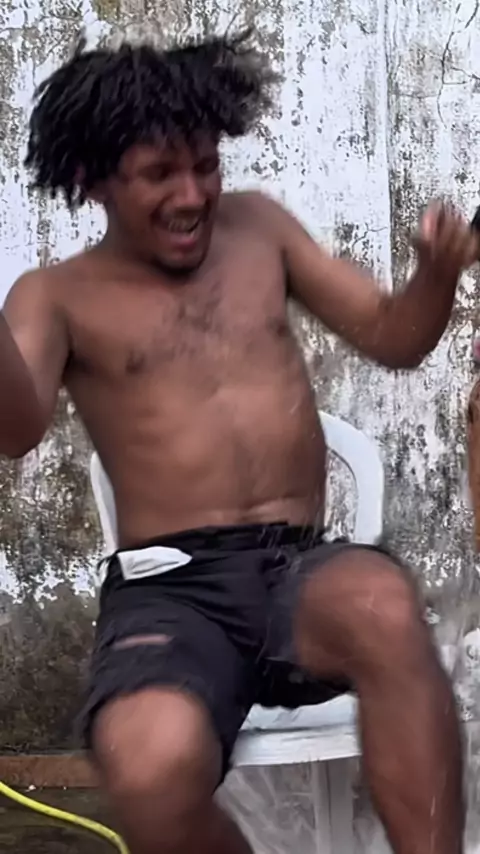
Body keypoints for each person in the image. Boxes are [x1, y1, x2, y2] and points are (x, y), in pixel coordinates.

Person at [1, 29, 477, 854]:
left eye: (206, 165)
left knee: (382, 606)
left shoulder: (261, 230)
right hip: (170, 591)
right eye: (160, 174)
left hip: (299, 572)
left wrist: (436, 275)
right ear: (93, 179)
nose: (192, 194)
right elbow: (16, 432)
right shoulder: (56, 295)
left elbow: (395, 337)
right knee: (149, 767)